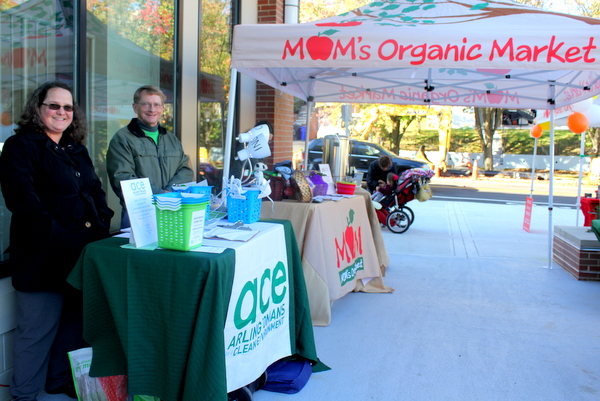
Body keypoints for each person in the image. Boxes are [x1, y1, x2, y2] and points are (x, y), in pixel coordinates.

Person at [0, 81, 114, 401]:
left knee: (73, 325)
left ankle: (57, 381)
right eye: (54, 105)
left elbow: (95, 193)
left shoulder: (74, 148)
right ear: (38, 109)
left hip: (80, 254)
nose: (61, 112)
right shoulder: (22, 146)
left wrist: (100, 225)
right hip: (42, 258)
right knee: (36, 332)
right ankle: (24, 395)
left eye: (67, 107)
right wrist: (58, 234)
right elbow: (23, 201)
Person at [106, 85, 194, 228]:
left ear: (162, 108)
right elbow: (122, 178)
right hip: (138, 214)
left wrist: (170, 193)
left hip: (172, 210)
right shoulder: (122, 139)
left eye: (156, 104)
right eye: (146, 104)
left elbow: (185, 170)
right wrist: (161, 195)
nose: (152, 109)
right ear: (135, 107)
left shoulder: (171, 139)